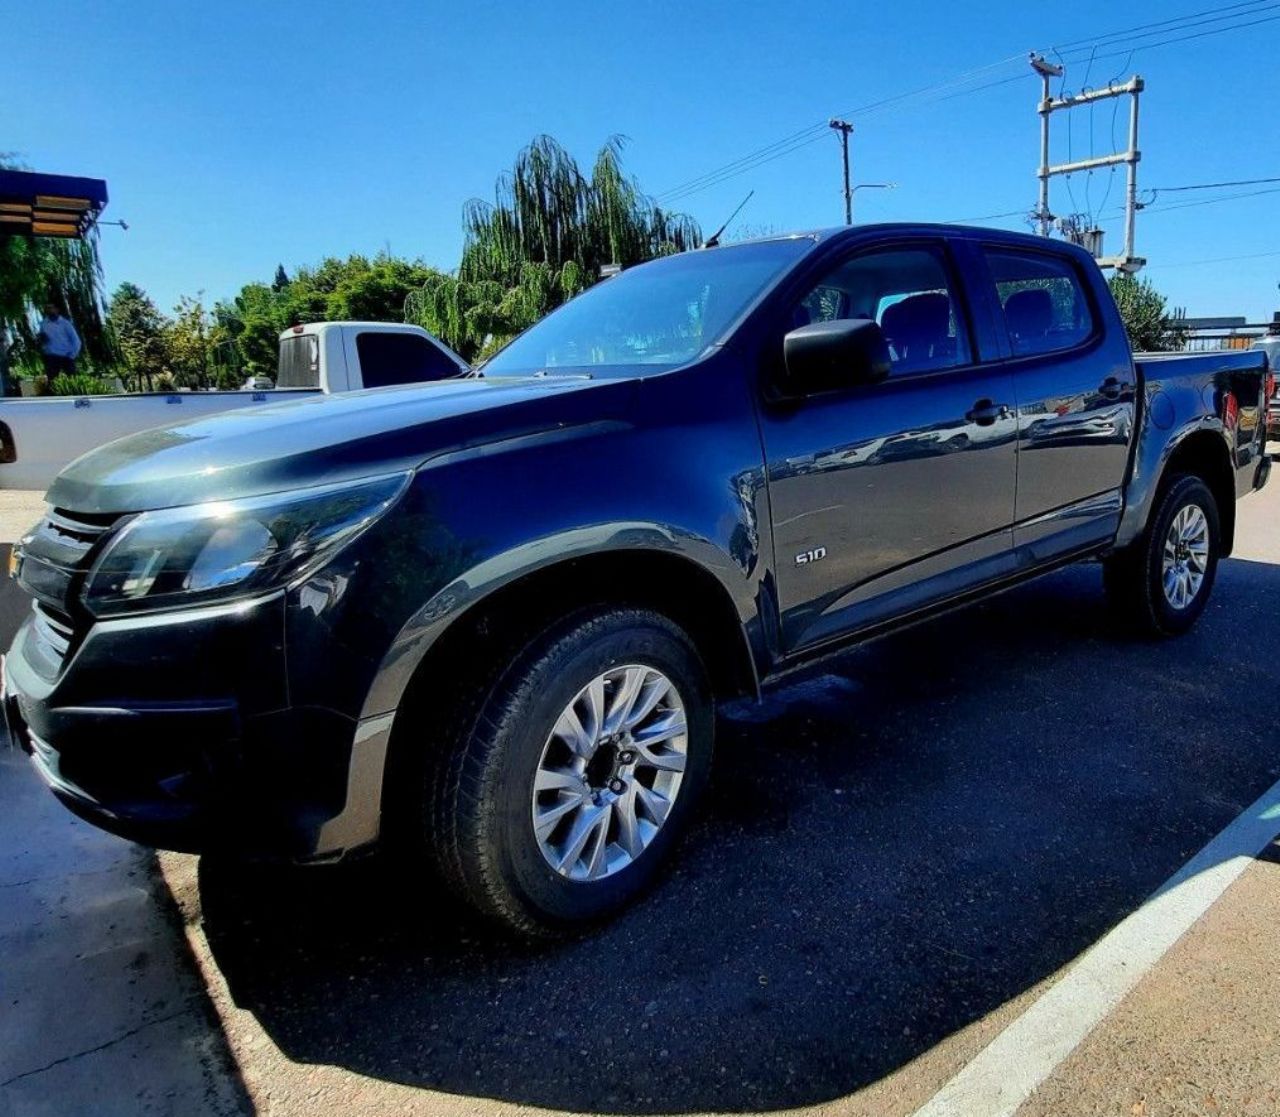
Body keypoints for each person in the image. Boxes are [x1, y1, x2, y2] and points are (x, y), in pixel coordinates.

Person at [37, 303, 82, 377]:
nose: (48, 310)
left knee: (72, 380)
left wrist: (71, 356)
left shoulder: (65, 323)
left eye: (51, 307)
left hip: (66, 356)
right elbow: (42, 339)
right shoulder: (44, 324)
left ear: (57, 309)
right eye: (47, 308)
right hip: (51, 357)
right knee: (52, 382)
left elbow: (76, 341)